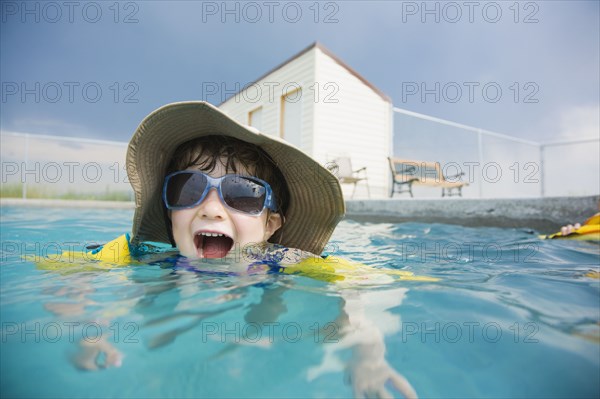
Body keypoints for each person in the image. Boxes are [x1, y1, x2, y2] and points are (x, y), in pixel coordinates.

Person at [38, 101, 434, 398]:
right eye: (187, 189)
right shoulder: (141, 254)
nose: (210, 208)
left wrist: (367, 354)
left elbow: (357, 288)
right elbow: (64, 269)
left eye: (242, 195)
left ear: (271, 224)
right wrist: (83, 325)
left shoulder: (285, 260)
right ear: (170, 210)